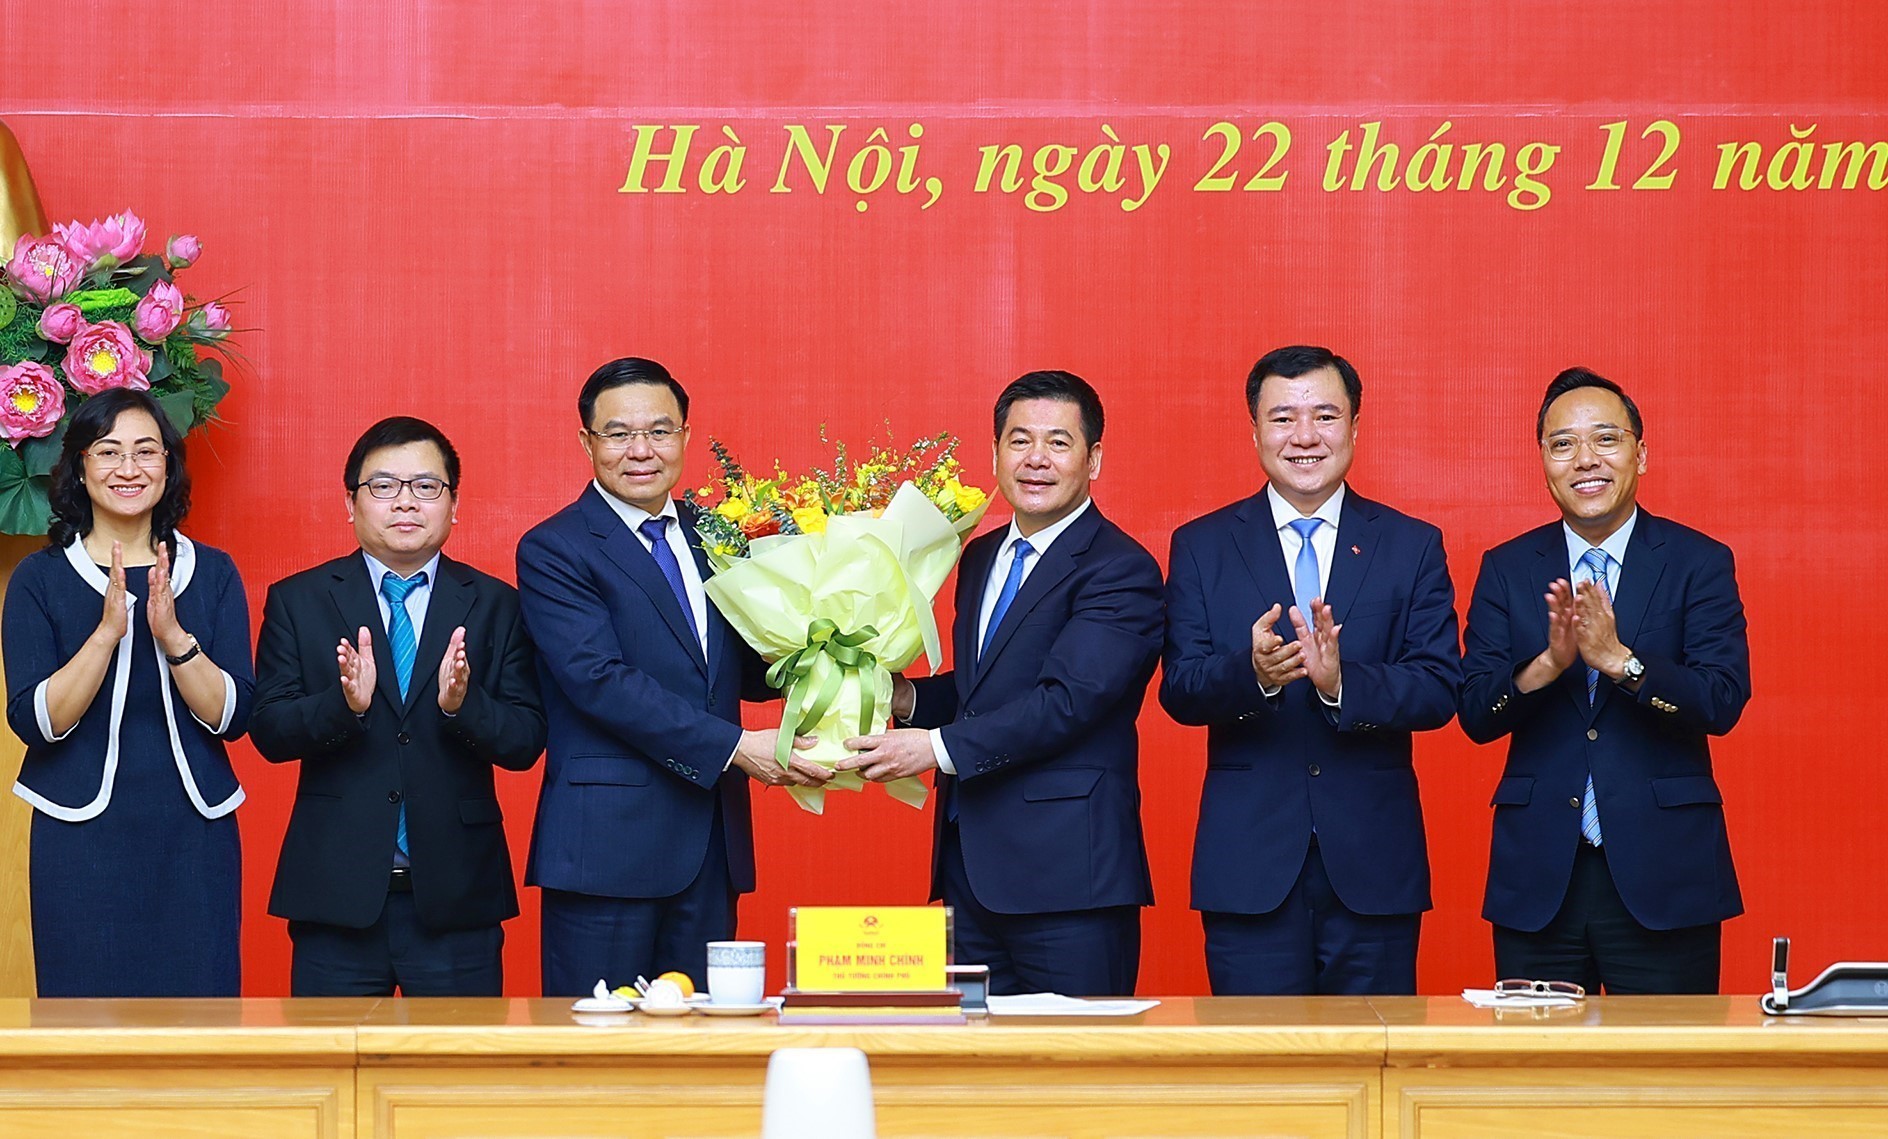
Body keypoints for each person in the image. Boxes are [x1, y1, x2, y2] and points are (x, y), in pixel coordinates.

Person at [840, 369, 1162, 997]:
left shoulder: (1120, 569)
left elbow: (1067, 702)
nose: (1036, 459)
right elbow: (984, 691)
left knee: (1074, 1056)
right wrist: (903, 696)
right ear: (994, 454)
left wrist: (933, 748)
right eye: (1020, 440)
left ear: (1094, 459)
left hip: (1070, 882)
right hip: (970, 874)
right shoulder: (981, 555)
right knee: (975, 1055)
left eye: (1058, 442)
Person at [517, 357, 827, 996]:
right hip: (606, 849)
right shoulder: (555, 548)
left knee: (706, 1034)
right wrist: (735, 747)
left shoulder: (719, 535)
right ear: (586, 442)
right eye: (619, 433)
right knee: (600, 1040)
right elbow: (597, 679)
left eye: (659, 431)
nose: (641, 450)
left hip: (709, 844)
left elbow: (743, 666)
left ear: (685, 436)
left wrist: (836, 653)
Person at [1160, 345, 1460, 995]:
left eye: (1324, 415)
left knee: (1376, 1053)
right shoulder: (1202, 545)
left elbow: (1440, 687)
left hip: (1374, 865)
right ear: (1254, 431)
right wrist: (1255, 673)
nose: (1304, 436)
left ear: (1355, 426)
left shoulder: (1411, 544)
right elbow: (1179, 687)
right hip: (1248, 866)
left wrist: (1343, 684)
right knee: (1259, 1057)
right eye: (1283, 418)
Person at [1462, 367, 1750, 994]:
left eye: (1606, 439)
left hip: (1666, 872)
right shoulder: (1507, 567)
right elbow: (1476, 713)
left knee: (1666, 1057)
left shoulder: (1698, 561)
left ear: (1640, 454)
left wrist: (1621, 662)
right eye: (1563, 444)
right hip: (1540, 876)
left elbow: (1722, 700)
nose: (1585, 460)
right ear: (1543, 460)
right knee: (1537, 1059)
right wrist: (1549, 664)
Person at [251, 416, 545, 996]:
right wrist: (344, 705)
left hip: (458, 895)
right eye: (383, 486)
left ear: (453, 504)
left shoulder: (497, 604)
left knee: (456, 1058)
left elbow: (526, 741)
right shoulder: (298, 600)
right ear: (351, 503)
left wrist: (463, 705)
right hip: (335, 892)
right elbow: (269, 731)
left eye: (426, 486)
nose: (405, 502)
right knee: (331, 1055)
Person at [3, 388, 251, 997]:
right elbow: (35, 721)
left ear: (168, 464)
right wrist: (106, 634)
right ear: (80, 465)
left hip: (194, 833)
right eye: (109, 451)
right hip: (79, 836)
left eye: (146, 450)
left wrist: (172, 636)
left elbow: (234, 714)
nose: (129, 468)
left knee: (200, 1012)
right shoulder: (40, 577)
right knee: (83, 1015)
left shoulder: (213, 572)